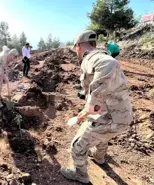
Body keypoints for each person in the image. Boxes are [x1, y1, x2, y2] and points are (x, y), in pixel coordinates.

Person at [61, 30, 133, 183]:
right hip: (119, 115)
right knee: (101, 134)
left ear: (78, 46)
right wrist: (88, 96)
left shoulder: (94, 58)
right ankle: (99, 158)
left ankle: (80, 175)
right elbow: (101, 84)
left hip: (110, 117)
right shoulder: (100, 55)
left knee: (77, 146)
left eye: (75, 48)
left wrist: (89, 106)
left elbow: (110, 64)